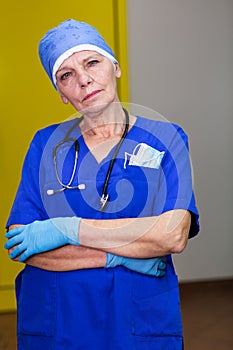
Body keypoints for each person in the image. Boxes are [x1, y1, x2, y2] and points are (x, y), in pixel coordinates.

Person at [4, 19, 199, 350]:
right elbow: (26, 246)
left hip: (137, 322)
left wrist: (67, 229)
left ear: (116, 68)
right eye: (66, 75)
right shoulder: (45, 145)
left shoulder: (166, 138)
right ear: (61, 94)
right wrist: (121, 256)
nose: (84, 80)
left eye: (92, 62)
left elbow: (171, 234)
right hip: (60, 323)